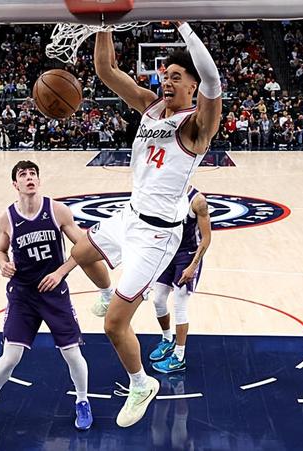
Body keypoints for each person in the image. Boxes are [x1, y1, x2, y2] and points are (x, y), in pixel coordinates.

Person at [71, 21, 221, 428]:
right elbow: (106, 70)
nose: (167, 82)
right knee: (80, 251)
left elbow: (214, 79)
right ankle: (107, 291)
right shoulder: (150, 105)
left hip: (157, 235)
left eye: (177, 77)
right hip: (130, 214)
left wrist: (184, 26)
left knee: (114, 324)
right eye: (165, 75)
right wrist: (102, 23)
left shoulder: (197, 125)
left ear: (193, 86)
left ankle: (141, 383)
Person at [0, 160, 112, 433]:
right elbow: (0, 250)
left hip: (54, 294)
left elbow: (84, 247)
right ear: (15, 184)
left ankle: (82, 401)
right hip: (23, 295)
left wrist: (60, 272)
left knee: (72, 354)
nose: (29, 177)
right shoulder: (6, 217)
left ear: (39, 180)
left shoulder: (57, 211)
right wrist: (3, 264)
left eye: (33, 173)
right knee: (10, 357)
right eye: (23, 175)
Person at [148, 186, 211, 373]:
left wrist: (193, 266)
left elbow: (206, 238)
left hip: (188, 255)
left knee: (180, 306)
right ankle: (168, 339)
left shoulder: (197, 201)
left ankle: (179, 357)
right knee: (158, 300)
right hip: (167, 254)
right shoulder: (163, 194)